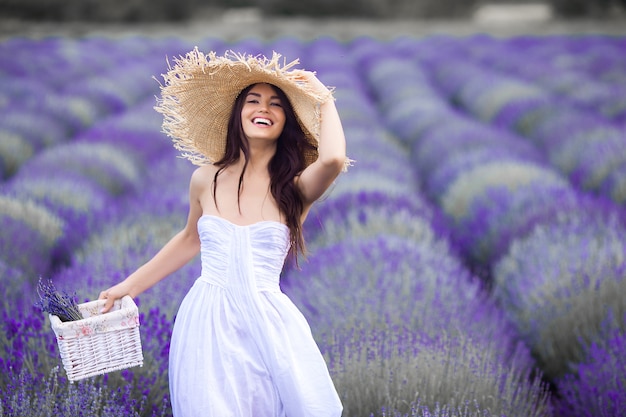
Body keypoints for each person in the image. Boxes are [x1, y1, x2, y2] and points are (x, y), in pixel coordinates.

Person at [98, 48, 350, 416]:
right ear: (238, 115)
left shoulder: (294, 188)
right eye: (253, 100)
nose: (263, 108)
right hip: (207, 321)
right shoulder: (206, 179)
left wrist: (323, 98)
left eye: (276, 104)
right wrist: (129, 287)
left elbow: (333, 159)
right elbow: (189, 239)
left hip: (267, 324)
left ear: (286, 122)